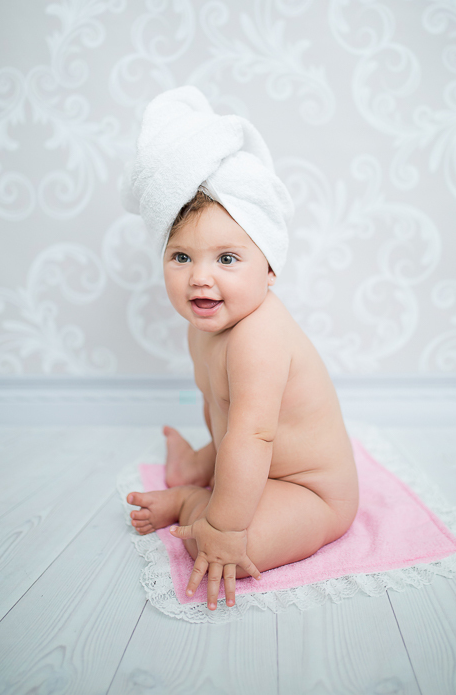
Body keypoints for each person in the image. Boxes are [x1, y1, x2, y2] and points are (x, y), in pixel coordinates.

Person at [123, 86, 359, 612]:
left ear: (270, 267)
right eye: (182, 257)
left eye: (227, 259)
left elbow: (254, 434)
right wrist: (218, 465)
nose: (200, 278)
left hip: (310, 489)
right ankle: (197, 474)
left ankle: (192, 499)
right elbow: (224, 415)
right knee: (227, 470)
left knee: (228, 548)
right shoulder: (204, 325)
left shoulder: (259, 335)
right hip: (252, 466)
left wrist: (225, 528)